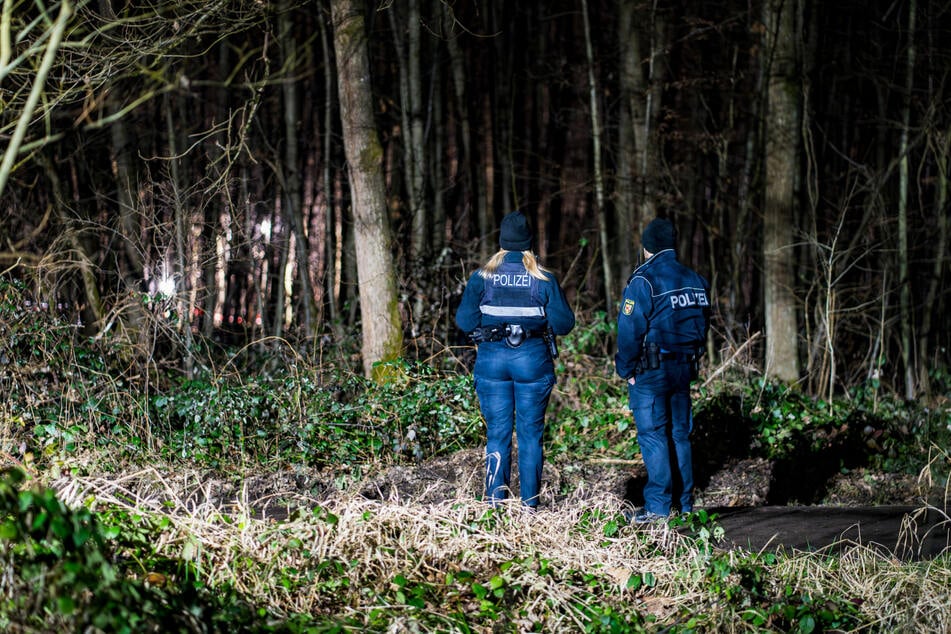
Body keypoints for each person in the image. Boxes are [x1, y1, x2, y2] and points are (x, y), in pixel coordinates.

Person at [455, 210, 575, 510]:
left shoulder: (482, 277)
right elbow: (564, 325)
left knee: (497, 434)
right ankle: (530, 507)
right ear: (528, 243)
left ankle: (495, 505)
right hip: (532, 362)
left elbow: (465, 321)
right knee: (531, 435)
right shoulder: (543, 278)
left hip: (493, 363)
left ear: (502, 242)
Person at [615, 217, 710, 523]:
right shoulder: (695, 279)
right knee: (679, 435)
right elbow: (703, 325)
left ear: (647, 247)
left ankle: (657, 508)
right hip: (683, 368)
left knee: (654, 436)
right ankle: (683, 505)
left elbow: (629, 330)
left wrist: (626, 367)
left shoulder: (644, 281)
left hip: (651, 371)